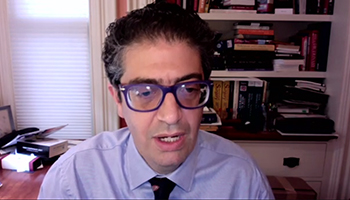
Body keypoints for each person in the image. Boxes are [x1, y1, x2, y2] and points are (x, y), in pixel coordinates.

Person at [38, 2, 274, 199]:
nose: (171, 116)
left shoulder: (243, 179)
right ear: (118, 99)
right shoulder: (72, 179)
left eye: (189, 88)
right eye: (146, 92)